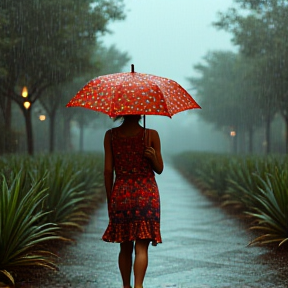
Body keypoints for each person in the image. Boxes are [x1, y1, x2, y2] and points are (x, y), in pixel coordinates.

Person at [102, 114, 163, 288]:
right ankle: (138, 285)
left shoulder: (110, 136)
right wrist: (152, 157)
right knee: (141, 247)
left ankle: (126, 286)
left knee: (125, 246)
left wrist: (110, 198)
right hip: (147, 194)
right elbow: (159, 169)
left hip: (122, 194)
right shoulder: (151, 135)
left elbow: (108, 171)